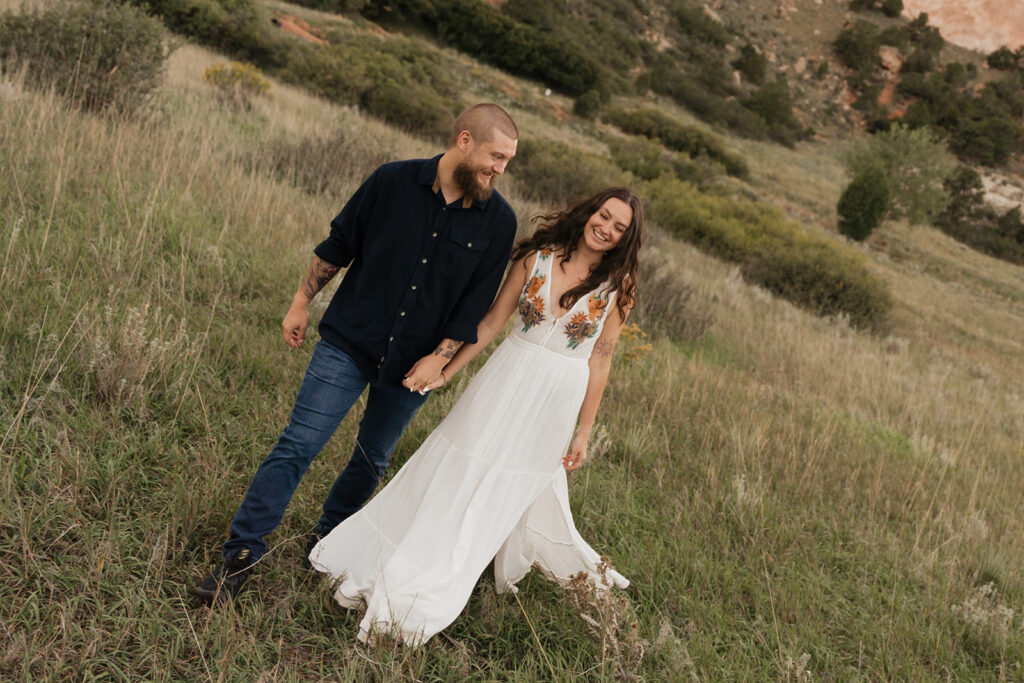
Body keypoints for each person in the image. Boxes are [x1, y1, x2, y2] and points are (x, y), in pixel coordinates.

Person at [193, 104, 520, 603]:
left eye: (508, 161)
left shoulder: (499, 222)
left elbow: (474, 303)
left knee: (371, 461)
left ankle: (327, 545)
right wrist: (301, 301)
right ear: (465, 140)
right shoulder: (391, 182)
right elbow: (339, 245)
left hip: (415, 365)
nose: (500, 169)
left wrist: (441, 358)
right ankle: (240, 554)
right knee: (298, 444)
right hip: (349, 342)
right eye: (496, 156)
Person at [309, 186, 642, 646]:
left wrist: (584, 432)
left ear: (626, 237)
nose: (606, 228)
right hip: (507, 375)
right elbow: (490, 323)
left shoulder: (618, 287)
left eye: (618, 227)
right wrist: (447, 369)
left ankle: (459, 562)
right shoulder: (538, 257)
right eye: (603, 216)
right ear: (590, 213)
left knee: (510, 482)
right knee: (459, 461)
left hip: (557, 396)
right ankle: (404, 549)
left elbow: (599, 360)